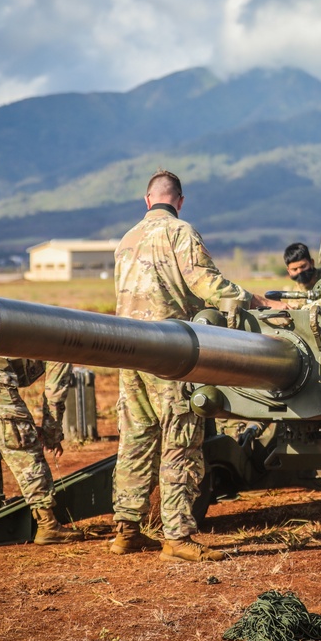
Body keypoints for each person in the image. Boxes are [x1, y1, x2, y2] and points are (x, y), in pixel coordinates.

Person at [112, 169, 288, 562]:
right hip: (168, 354)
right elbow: (207, 284)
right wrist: (258, 302)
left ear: (146, 200)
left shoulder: (126, 240)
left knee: (136, 440)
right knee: (180, 442)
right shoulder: (180, 232)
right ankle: (176, 537)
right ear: (180, 201)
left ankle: (125, 529)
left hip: (129, 353)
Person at [0, 356, 84, 544]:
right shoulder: (67, 332)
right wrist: (51, 434)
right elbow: (55, 393)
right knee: (24, 447)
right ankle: (47, 525)